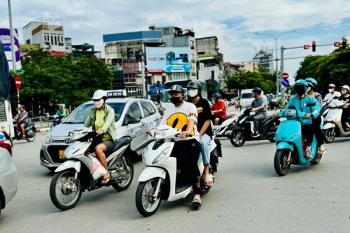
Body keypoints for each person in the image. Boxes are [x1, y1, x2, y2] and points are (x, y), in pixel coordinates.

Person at [160, 84, 202, 208]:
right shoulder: (168, 110)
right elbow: (162, 125)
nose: (174, 96)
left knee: (192, 165)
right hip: (174, 142)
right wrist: (153, 130)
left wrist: (188, 131)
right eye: (172, 94)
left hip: (190, 140)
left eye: (176, 94)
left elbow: (191, 120)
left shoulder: (190, 106)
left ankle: (197, 195)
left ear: (182, 94)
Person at [274, 80, 320, 158]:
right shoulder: (292, 100)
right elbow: (286, 109)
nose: (299, 89)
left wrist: (312, 114)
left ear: (305, 88)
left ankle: (308, 150)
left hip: (306, 121)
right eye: (297, 88)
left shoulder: (311, 99)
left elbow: (317, 109)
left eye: (301, 87)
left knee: (309, 130)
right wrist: (278, 114)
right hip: (294, 122)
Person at [84, 90, 117, 184]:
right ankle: (93, 170)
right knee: (83, 150)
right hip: (96, 138)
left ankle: (106, 173)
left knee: (98, 149)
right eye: (94, 100)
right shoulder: (93, 112)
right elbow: (86, 125)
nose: (96, 102)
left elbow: (108, 123)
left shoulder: (110, 110)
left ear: (104, 99)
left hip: (108, 139)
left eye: (98, 99)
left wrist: (102, 130)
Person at [187, 80, 213, 187]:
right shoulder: (187, 103)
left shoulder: (204, 102)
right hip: (189, 132)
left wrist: (199, 134)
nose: (191, 91)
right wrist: (193, 111)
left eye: (193, 89)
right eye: (189, 89)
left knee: (202, 143)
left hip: (204, 132)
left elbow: (208, 120)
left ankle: (206, 170)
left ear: (198, 91)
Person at [305, 77, 326, 153]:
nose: (306, 87)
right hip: (303, 116)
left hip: (315, 116)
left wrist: (313, 114)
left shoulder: (317, 95)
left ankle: (320, 145)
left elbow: (319, 107)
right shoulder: (302, 95)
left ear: (313, 86)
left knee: (316, 128)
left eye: (308, 85)